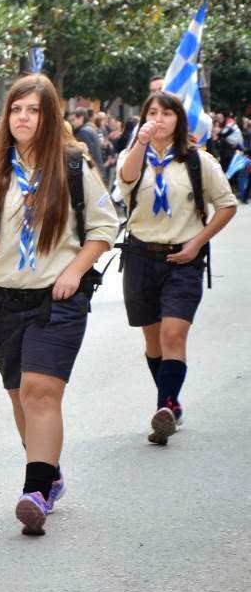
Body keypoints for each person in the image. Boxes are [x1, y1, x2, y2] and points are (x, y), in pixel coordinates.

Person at [0, 74, 119, 536]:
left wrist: (75, 270)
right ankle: (48, 472)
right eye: (17, 109)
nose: (23, 117)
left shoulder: (73, 165)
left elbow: (104, 227)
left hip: (55, 301)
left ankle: (34, 492)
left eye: (33, 110)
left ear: (49, 116)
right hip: (0, 301)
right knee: (21, 396)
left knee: (40, 392)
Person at [115, 91, 236, 444]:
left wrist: (196, 243)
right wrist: (140, 143)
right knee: (153, 340)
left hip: (183, 260)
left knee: (173, 335)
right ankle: (171, 403)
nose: (159, 119)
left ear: (179, 120)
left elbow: (227, 205)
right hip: (141, 256)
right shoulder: (132, 155)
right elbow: (126, 179)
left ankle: (165, 406)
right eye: (152, 113)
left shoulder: (199, 161)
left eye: (167, 113)